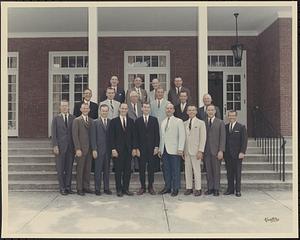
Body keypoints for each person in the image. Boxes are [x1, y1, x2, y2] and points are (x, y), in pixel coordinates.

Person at [109, 103, 137, 197]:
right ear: (119, 109)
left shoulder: (131, 121)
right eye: (122, 108)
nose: (124, 110)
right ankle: (119, 189)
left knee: (127, 171)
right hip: (117, 151)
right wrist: (113, 149)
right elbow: (111, 137)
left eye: (126, 108)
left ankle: (126, 189)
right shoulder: (113, 122)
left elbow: (134, 136)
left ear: (127, 110)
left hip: (128, 150)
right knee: (118, 170)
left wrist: (134, 148)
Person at [158, 103, 185, 197]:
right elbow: (162, 137)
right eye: (167, 108)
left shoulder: (178, 121)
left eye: (170, 108)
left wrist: (180, 149)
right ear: (165, 110)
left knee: (175, 170)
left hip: (174, 150)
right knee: (166, 170)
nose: (169, 110)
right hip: (164, 150)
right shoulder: (163, 121)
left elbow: (182, 136)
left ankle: (175, 188)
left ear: (173, 110)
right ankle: (167, 187)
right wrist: (160, 149)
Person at [51, 100, 76, 195]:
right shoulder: (56, 119)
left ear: (69, 107)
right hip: (60, 148)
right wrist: (55, 146)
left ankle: (68, 187)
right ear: (60, 108)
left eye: (66, 106)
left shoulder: (73, 118)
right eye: (63, 106)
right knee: (60, 168)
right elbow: (54, 134)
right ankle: (62, 188)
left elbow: (74, 133)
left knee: (69, 168)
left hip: (70, 147)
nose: (64, 107)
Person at [135, 102, 160, 195]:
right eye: (144, 107)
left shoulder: (154, 120)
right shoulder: (138, 121)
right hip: (141, 149)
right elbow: (135, 136)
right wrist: (136, 148)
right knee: (141, 168)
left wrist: (156, 147)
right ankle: (142, 187)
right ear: (141, 109)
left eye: (147, 107)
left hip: (151, 149)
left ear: (150, 109)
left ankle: (150, 186)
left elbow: (157, 135)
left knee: (151, 168)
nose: (146, 109)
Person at [183, 105, 206, 197]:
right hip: (187, 151)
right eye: (189, 110)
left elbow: (203, 138)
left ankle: (198, 188)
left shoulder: (201, 123)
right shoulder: (184, 123)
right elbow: (183, 138)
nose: (191, 112)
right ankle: (189, 188)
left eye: (193, 110)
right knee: (187, 170)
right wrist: (183, 150)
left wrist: (200, 150)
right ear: (187, 112)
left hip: (196, 151)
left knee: (196, 170)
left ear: (196, 112)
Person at [224, 110, 248, 197]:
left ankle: (238, 190)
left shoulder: (241, 127)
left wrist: (242, 152)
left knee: (237, 173)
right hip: (227, 154)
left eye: (233, 116)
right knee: (229, 173)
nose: (231, 117)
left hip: (237, 154)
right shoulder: (225, 127)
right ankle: (230, 189)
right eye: (230, 116)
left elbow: (244, 141)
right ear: (228, 117)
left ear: (236, 116)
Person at [203, 104, 226, 197]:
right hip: (206, 151)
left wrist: (221, 150)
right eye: (209, 110)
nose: (210, 112)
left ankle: (216, 188)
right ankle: (210, 188)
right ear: (206, 111)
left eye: (212, 110)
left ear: (215, 111)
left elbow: (223, 137)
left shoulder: (220, 122)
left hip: (216, 151)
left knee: (216, 170)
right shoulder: (203, 122)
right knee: (208, 170)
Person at [91, 104, 112, 196]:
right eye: (103, 111)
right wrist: (94, 149)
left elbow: (112, 137)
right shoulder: (95, 122)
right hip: (98, 150)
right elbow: (93, 137)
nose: (104, 112)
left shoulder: (111, 122)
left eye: (106, 111)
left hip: (108, 150)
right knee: (98, 170)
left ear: (108, 112)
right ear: (100, 111)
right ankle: (97, 188)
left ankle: (106, 188)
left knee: (107, 170)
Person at [196, 93, 221, 173]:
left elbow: (218, 120)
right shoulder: (199, 110)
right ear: (203, 100)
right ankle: (205, 167)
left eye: (208, 99)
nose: (206, 100)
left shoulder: (216, 108)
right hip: (203, 134)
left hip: (213, 135)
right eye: (205, 99)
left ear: (211, 100)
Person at [72, 103, 93, 196]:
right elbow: (75, 136)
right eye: (83, 108)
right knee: (80, 169)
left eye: (87, 108)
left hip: (90, 149)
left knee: (88, 169)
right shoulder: (77, 120)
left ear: (89, 110)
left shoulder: (92, 121)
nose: (85, 109)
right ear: (80, 109)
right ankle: (79, 188)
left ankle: (86, 187)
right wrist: (77, 149)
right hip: (81, 149)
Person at [127, 91, 143, 172]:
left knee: (138, 147)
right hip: (129, 130)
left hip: (139, 129)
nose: (134, 98)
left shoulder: (141, 106)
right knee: (131, 148)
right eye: (132, 96)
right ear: (130, 98)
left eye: (136, 96)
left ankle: (137, 167)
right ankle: (130, 167)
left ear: (138, 97)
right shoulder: (127, 106)